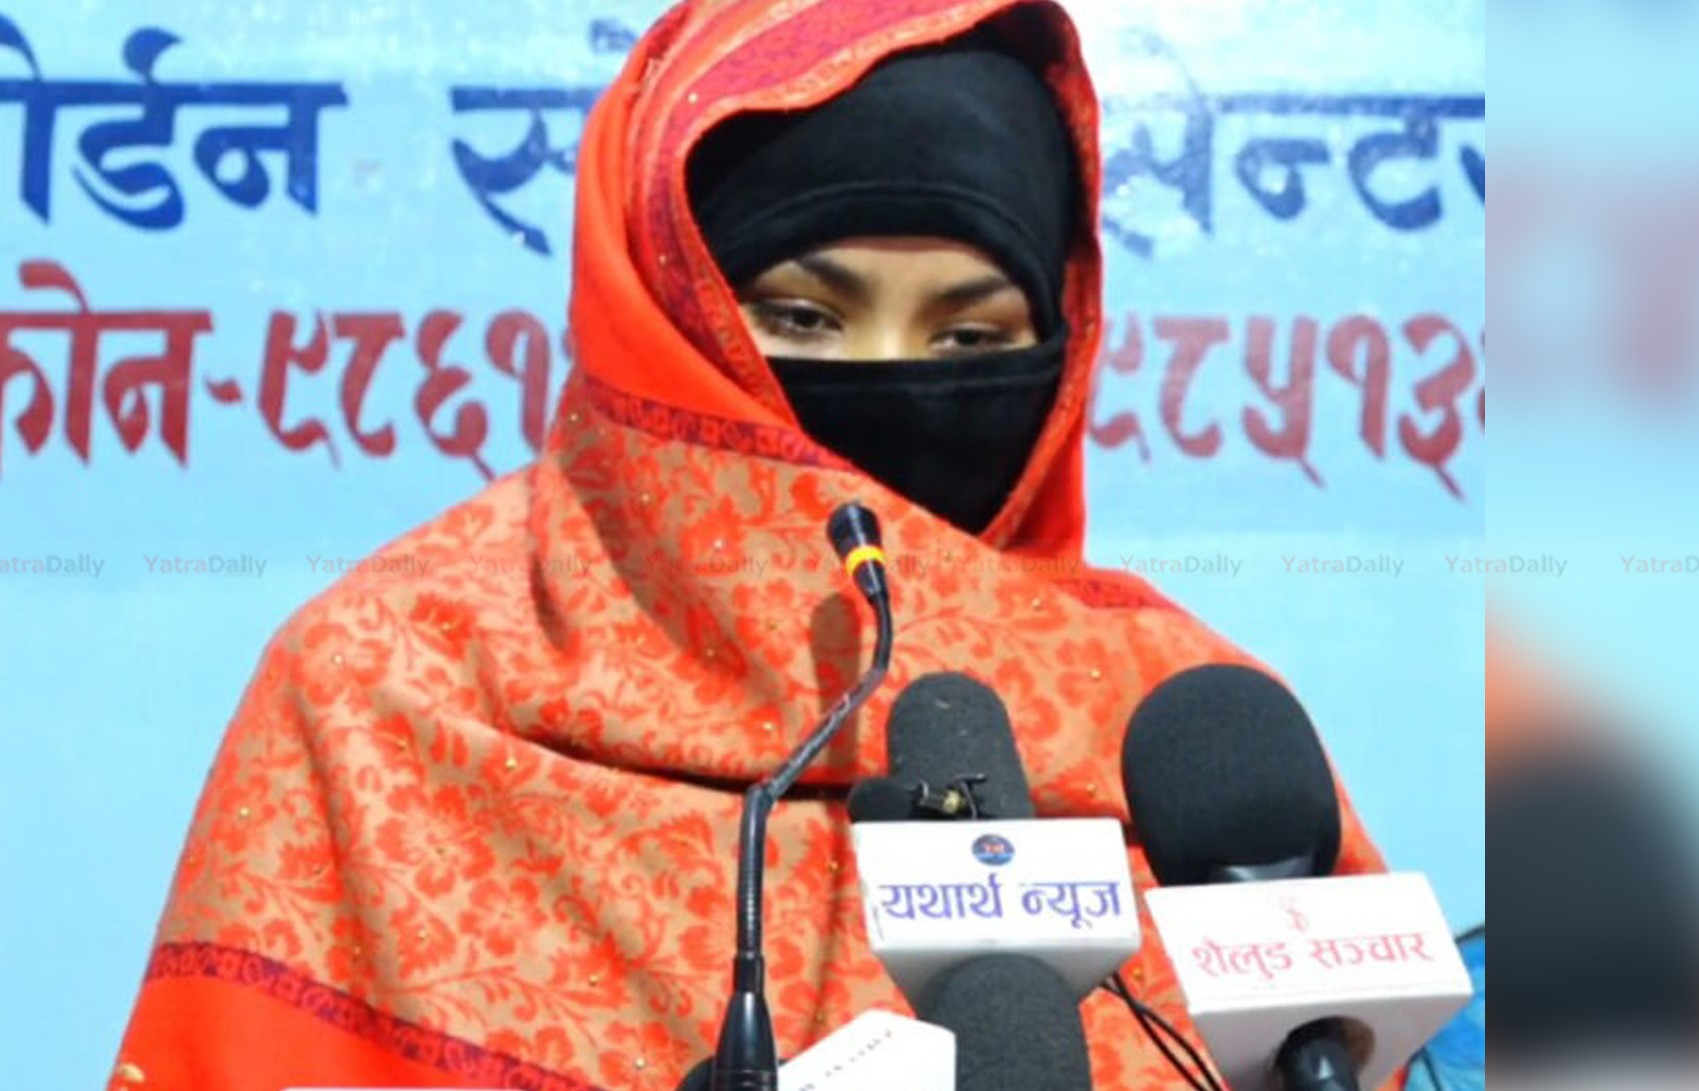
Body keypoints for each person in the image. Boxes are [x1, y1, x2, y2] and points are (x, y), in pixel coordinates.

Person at [109, 1, 1393, 1088]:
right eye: (800, 318)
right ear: (664, 317)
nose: (888, 381)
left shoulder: (1187, 742)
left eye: (968, 338)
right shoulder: (387, 689)